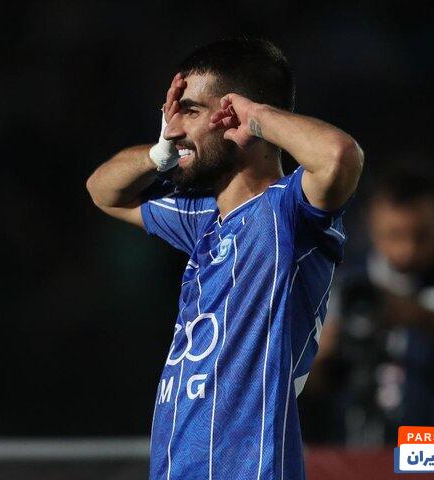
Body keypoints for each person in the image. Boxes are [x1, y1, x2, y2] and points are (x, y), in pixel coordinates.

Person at [86, 38, 364, 479]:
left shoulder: (288, 214)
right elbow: (103, 192)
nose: (173, 128)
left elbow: (340, 156)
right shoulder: (202, 219)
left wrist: (259, 118)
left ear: (235, 113)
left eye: (191, 111)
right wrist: (160, 154)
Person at [308, 169, 434, 445]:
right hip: (368, 451)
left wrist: (416, 315)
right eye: (395, 235)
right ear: (371, 226)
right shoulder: (349, 283)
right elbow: (312, 383)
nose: (408, 250)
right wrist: (323, 355)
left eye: (422, 235)